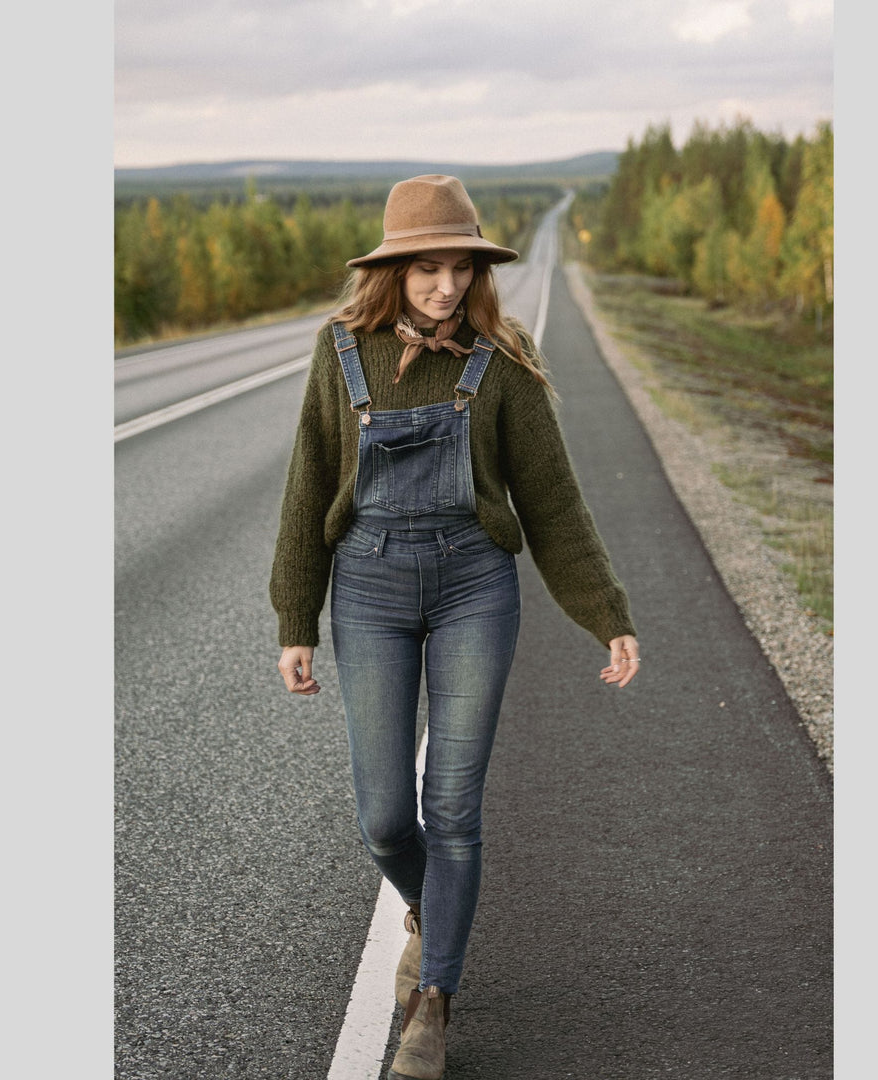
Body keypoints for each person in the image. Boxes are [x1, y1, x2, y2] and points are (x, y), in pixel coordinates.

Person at [270, 174, 639, 1079]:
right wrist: (295, 618)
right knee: (388, 815)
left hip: (476, 582)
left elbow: (552, 503)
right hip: (368, 587)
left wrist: (606, 616)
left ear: (478, 272)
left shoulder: (501, 360)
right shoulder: (340, 350)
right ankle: (429, 904)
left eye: (458, 269)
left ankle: (433, 1003)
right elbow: (310, 485)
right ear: (392, 272)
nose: (444, 286)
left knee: (455, 810)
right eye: (426, 269)